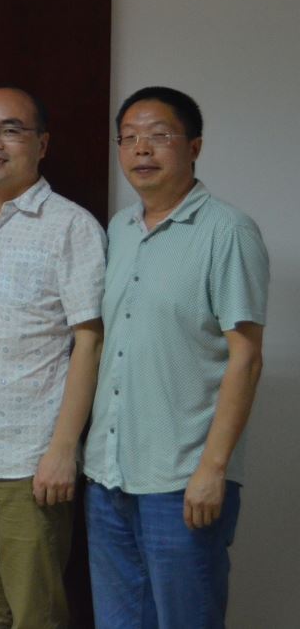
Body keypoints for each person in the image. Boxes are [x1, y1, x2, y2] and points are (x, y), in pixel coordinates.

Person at [85, 86, 269, 629]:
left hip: (183, 480)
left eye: (159, 135)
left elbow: (246, 358)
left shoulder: (228, 231)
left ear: (195, 147)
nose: (142, 149)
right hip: (108, 475)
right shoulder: (118, 230)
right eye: (129, 138)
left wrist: (213, 470)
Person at [0, 87, 105, 629]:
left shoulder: (71, 227)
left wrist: (63, 450)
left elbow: (90, 342)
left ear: (42, 144)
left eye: (10, 130)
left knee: (38, 616)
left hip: (28, 464)